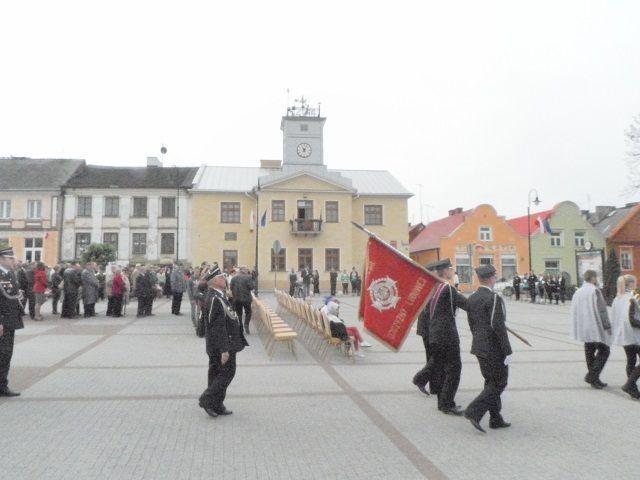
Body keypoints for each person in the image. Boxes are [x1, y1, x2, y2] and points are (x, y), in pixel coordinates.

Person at [413, 259, 468, 414]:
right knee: (453, 369)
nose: (453, 272)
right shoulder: (447, 289)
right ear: (445, 271)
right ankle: (447, 404)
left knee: (440, 366)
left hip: (435, 334)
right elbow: (467, 305)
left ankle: (441, 400)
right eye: (451, 269)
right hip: (446, 336)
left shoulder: (437, 288)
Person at [464, 264, 513, 433]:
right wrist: (507, 350)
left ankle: (495, 418)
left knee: (490, 382)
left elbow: (472, 324)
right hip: (493, 349)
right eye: (495, 276)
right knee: (500, 382)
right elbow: (497, 326)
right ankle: (474, 411)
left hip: (479, 346)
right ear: (492, 278)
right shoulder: (493, 299)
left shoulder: (472, 298)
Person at [199, 263, 248, 417]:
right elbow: (216, 326)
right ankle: (206, 400)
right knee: (226, 373)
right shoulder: (214, 298)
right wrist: (224, 349)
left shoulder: (220, 295)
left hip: (226, 342)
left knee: (217, 374)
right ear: (214, 281)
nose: (224, 278)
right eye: (221, 277)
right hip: (221, 345)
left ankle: (217, 404)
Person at [571, 269, 611, 389]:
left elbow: (574, 310)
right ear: (593, 278)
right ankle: (592, 376)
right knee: (605, 350)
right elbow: (602, 310)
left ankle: (594, 379)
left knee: (589, 351)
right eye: (596, 277)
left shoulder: (578, 292)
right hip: (594, 326)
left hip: (583, 326)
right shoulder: (595, 291)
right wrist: (607, 326)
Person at [0, 247, 24, 397]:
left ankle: (2, 385)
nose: (13, 261)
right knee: (2, 353)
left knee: (6, 354)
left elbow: (12, 297)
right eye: (10, 258)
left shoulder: (10, 274)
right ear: (1, 258)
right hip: (3, 322)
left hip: (11, 321)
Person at [612, 274, 640, 399]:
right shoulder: (632, 297)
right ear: (631, 284)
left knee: (631, 360)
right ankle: (630, 384)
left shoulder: (617, 298)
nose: (637, 284)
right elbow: (633, 320)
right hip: (634, 336)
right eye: (635, 282)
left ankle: (632, 389)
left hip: (623, 335)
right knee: (632, 360)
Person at [229, 266, 254, 334]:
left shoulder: (234, 277)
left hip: (237, 299)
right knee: (248, 312)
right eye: (246, 269)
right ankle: (246, 324)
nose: (247, 270)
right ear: (243, 270)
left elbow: (231, 287)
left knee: (238, 313)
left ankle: (240, 327)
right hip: (246, 299)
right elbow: (251, 287)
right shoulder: (248, 277)